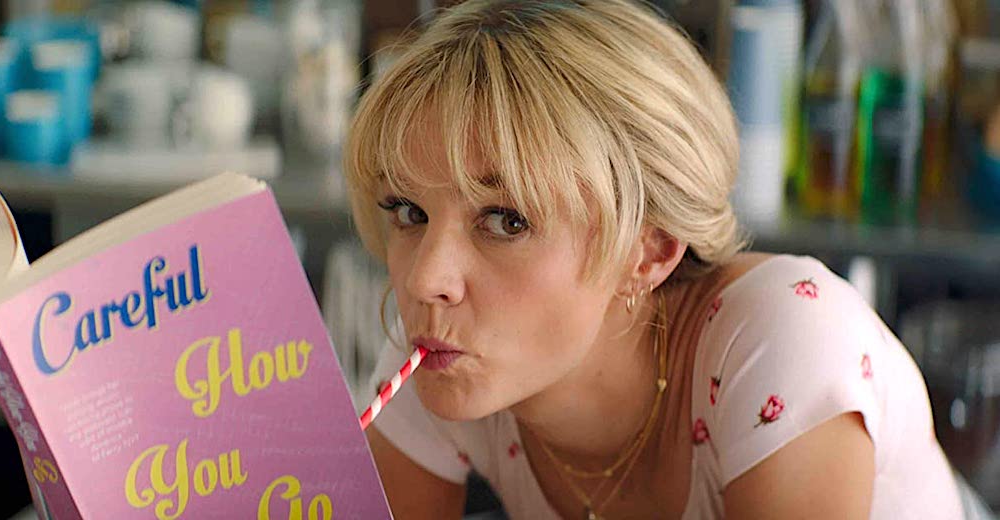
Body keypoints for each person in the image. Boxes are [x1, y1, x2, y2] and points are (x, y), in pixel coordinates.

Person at [342, 0, 966, 518]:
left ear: (650, 250)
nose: (424, 279)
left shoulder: (783, 340)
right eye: (409, 211)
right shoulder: (445, 351)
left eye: (506, 220)